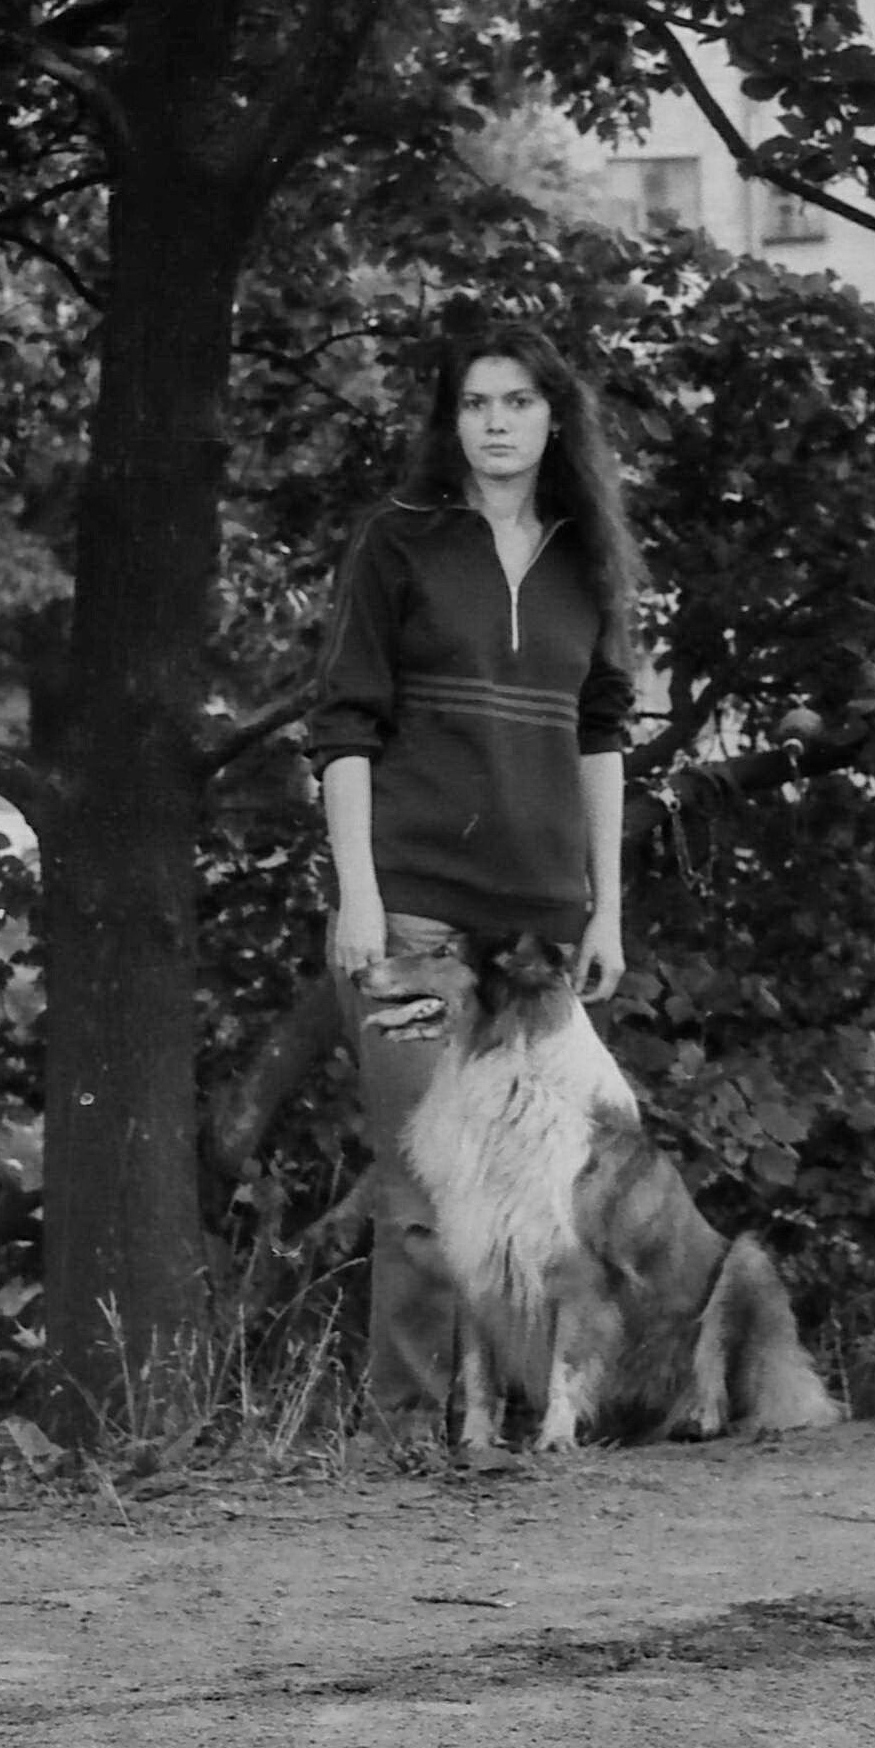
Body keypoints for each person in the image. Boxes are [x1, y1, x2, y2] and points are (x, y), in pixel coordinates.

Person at [306, 323, 643, 1444]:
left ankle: (517, 1424)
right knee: (422, 1192)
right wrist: (358, 892)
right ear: (448, 420)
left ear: (556, 416)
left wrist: (606, 906)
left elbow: (602, 736)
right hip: (412, 907)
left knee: (539, 1194)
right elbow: (344, 726)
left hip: (537, 935)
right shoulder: (398, 540)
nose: (496, 422)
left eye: (518, 401)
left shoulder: (589, 559)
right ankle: (407, 1435)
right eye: (474, 403)